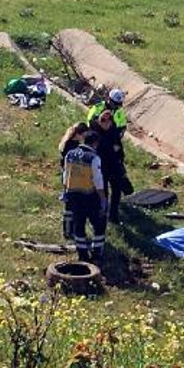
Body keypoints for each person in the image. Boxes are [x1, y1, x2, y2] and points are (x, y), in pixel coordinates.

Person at [62, 130, 107, 262]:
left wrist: (65, 191)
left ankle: (82, 254)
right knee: (99, 224)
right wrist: (103, 198)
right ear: (95, 143)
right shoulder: (93, 158)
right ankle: (97, 253)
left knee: (79, 225)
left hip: (73, 194)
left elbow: (65, 175)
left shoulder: (70, 154)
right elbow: (98, 180)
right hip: (89, 196)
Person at [89, 110, 130, 225]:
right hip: (101, 167)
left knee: (117, 191)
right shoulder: (94, 133)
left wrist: (119, 156)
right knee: (103, 193)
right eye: (103, 120)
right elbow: (98, 150)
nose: (106, 123)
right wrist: (112, 149)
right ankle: (102, 215)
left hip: (115, 165)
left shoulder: (114, 131)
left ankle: (114, 216)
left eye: (108, 120)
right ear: (99, 120)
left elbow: (119, 148)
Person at [58, 122, 90, 239]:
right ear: (79, 134)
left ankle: (71, 230)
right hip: (71, 178)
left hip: (70, 177)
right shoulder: (71, 146)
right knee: (70, 206)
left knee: (72, 205)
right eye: (84, 135)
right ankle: (68, 231)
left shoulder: (70, 143)